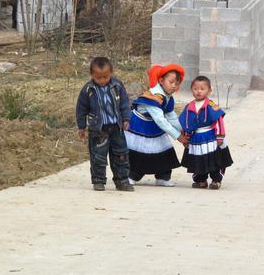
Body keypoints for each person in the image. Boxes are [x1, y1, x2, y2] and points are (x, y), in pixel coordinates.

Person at [76, 57, 134, 192]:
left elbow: (125, 103)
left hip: (116, 127)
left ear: (111, 73)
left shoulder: (117, 86)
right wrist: (81, 126)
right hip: (98, 130)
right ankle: (98, 180)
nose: (102, 81)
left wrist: (126, 119)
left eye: (105, 77)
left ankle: (122, 181)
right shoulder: (88, 90)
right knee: (98, 156)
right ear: (92, 75)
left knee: (121, 155)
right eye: (98, 78)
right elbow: (81, 109)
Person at [125, 64, 187, 187]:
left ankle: (163, 177)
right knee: (140, 151)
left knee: (164, 150)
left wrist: (183, 131)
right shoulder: (153, 97)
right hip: (140, 126)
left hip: (154, 126)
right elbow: (161, 120)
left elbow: (171, 116)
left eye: (177, 83)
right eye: (171, 82)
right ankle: (131, 176)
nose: (174, 86)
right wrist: (177, 136)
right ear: (161, 81)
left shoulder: (168, 97)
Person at [180, 76, 233, 190]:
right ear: (192, 90)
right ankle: (201, 180)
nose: (198, 91)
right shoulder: (189, 107)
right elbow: (186, 124)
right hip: (196, 138)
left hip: (211, 136)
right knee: (198, 160)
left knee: (214, 159)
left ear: (209, 90)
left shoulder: (211, 105)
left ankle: (216, 180)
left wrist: (220, 137)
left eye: (202, 88)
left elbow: (218, 120)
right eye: (195, 88)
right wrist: (186, 137)